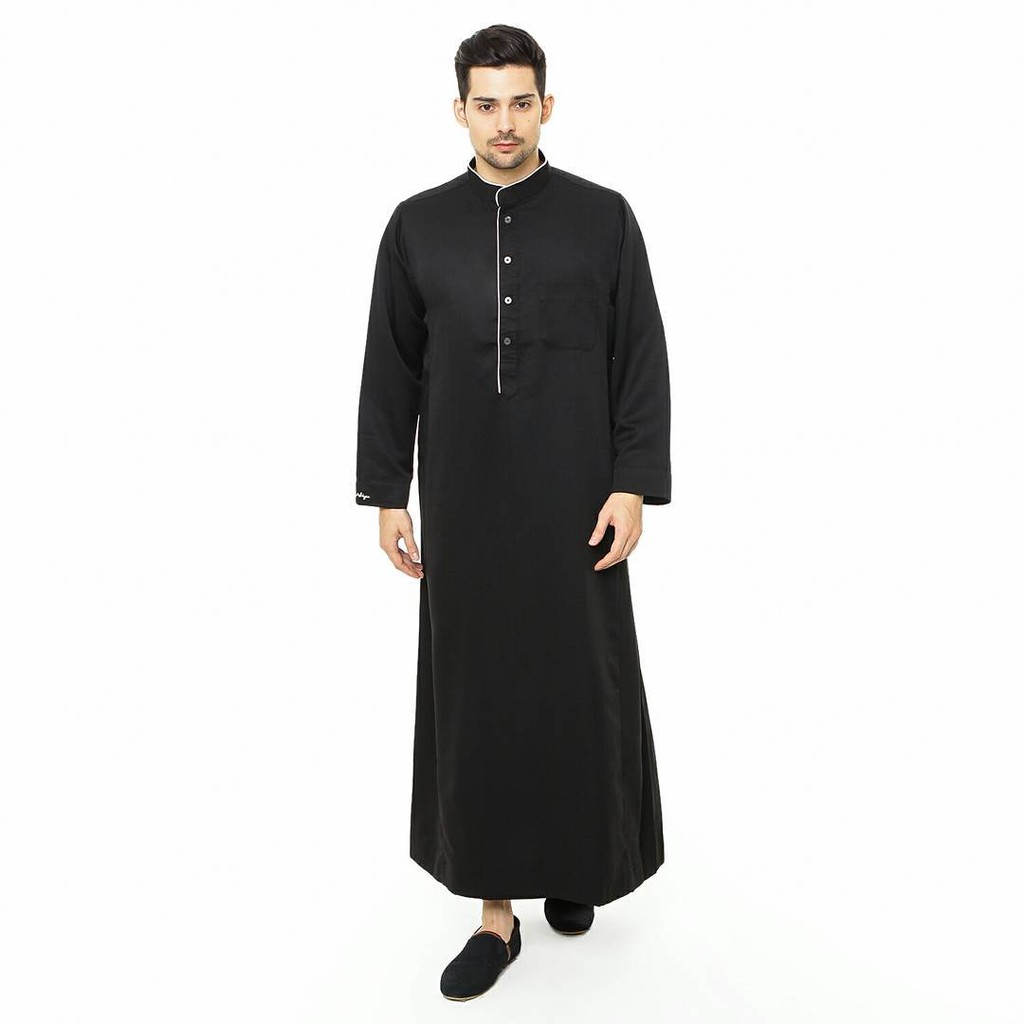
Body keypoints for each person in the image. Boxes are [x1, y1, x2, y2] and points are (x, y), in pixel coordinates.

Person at [355, 24, 671, 1000]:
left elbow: (640, 356)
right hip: (464, 501)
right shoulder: (416, 227)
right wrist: (387, 493)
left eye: (520, 103)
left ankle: (578, 866)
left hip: (578, 502)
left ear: (547, 106)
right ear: (459, 110)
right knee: (479, 697)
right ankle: (496, 916)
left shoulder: (602, 218)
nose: (504, 122)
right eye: (485, 104)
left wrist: (632, 481)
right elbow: (389, 367)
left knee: (581, 688)